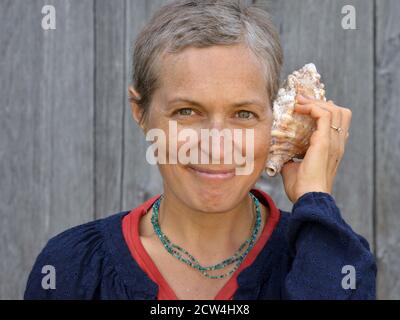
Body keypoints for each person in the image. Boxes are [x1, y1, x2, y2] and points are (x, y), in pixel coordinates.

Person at [24, 0, 376, 300]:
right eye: (187, 112)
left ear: (273, 120)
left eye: (243, 114)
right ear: (141, 114)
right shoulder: (72, 268)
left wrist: (315, 197)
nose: (216, 143)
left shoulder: (335, 261)